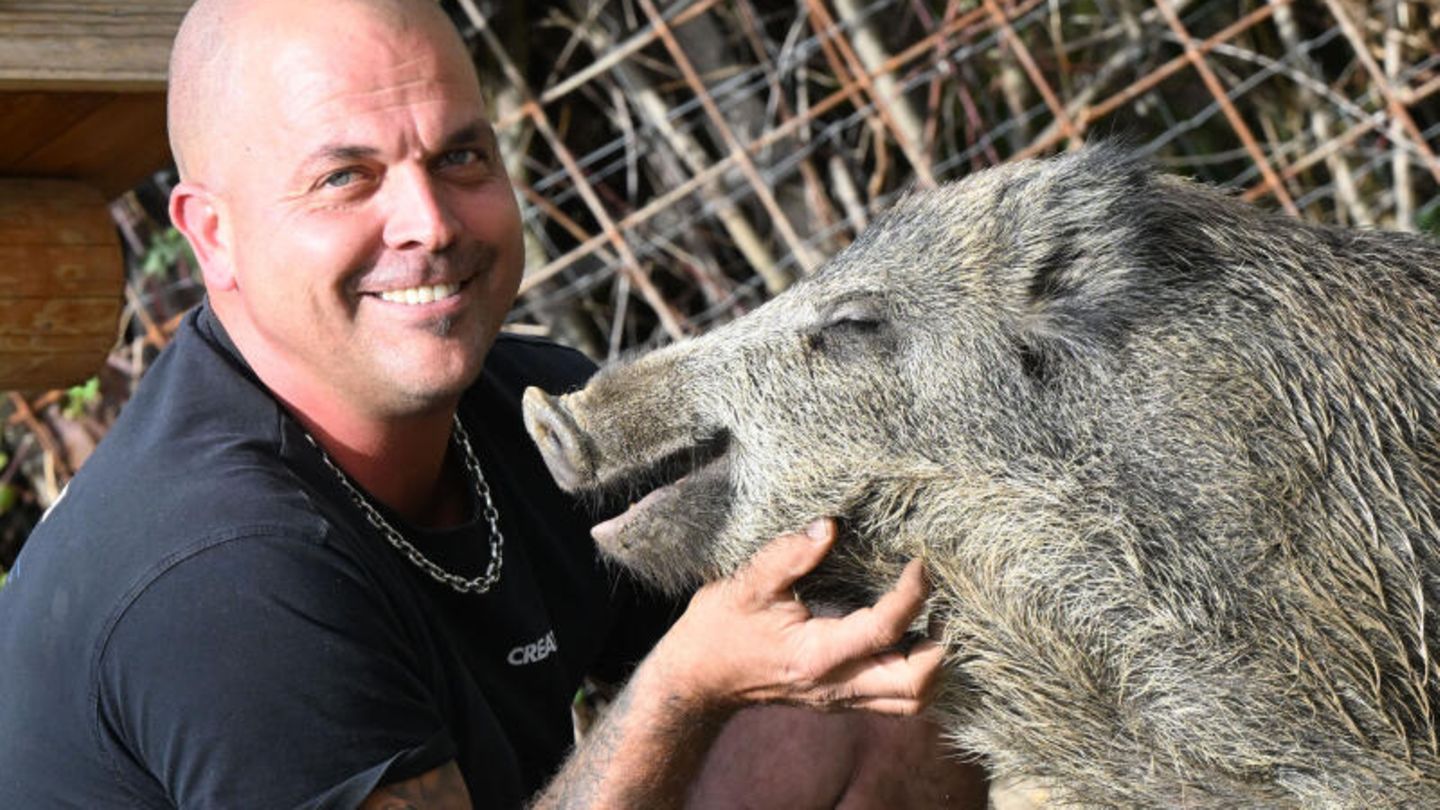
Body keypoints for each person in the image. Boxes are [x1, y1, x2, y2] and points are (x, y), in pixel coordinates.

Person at [0, 0, 985, 806]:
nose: (428, 223)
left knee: (883, 710)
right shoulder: (224, 579)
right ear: (210, 236)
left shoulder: (521, 409)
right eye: (346, 178)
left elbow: (815, 607)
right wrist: (679, 689)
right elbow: (698, 672)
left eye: (460, 158)